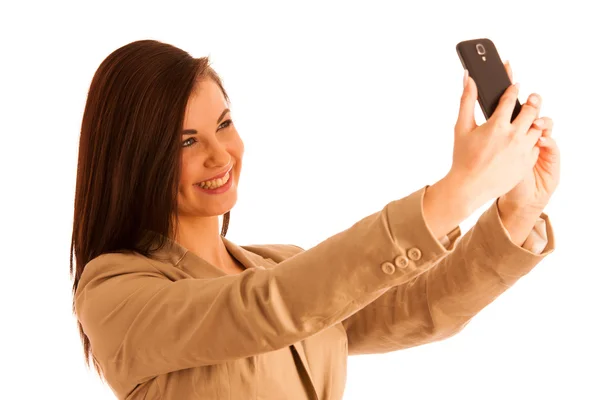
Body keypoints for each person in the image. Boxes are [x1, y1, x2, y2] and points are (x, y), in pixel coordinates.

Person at [70, 40, 560, 400]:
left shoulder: (281, 265)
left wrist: (516, 210)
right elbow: (264, 308)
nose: (220, 155)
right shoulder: (115, 291)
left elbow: (420, 307)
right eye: (186, 141)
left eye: (223, 124)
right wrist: (457, 192)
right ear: (133, 160)